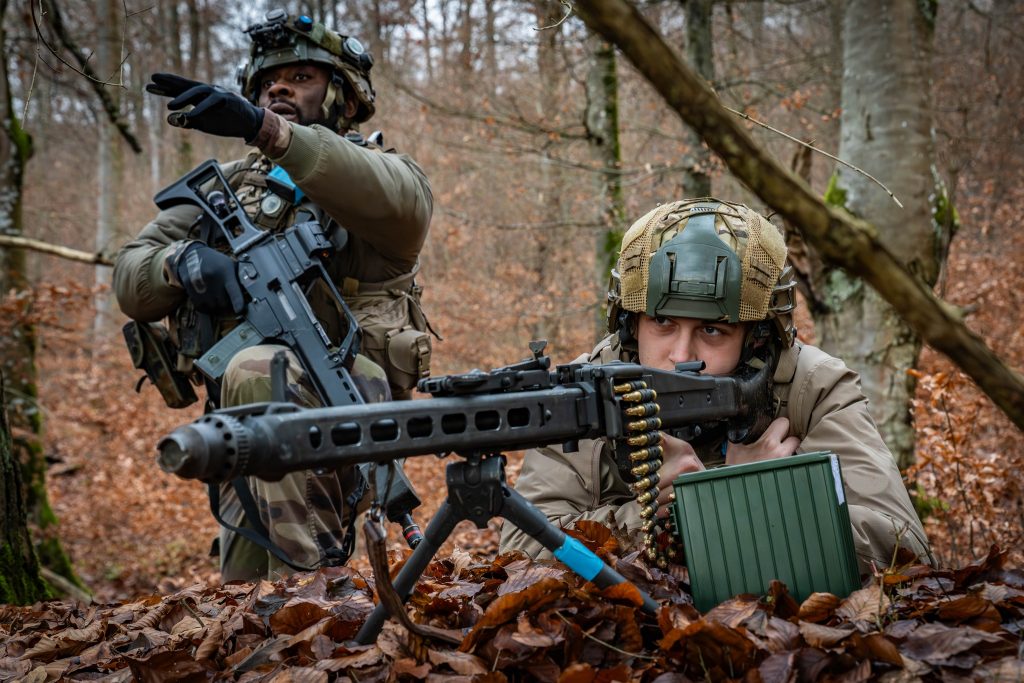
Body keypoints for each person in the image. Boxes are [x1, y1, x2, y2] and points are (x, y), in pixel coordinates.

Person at [113, 9, 434, 581]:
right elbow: (131, 279)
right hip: (241, 420)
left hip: (348, 400)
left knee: (262, 370)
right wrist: (180, 263)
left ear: (346, 96)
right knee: (242, 599)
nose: (279, 89)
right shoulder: (227, 189)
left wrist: (269, 129)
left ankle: (318, 608)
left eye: (302, 78)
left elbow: (396, 200)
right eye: (266, 85)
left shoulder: (384, 175)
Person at [500, 198, 933, 574]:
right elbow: (521, 552)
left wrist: (739, 494)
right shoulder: (588, 392)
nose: (681, 354)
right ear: (632, 327)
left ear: (756, 339)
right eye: (663, 323)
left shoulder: (810, 387)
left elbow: (902, 545)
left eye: (712, 331)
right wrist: (665, 517)